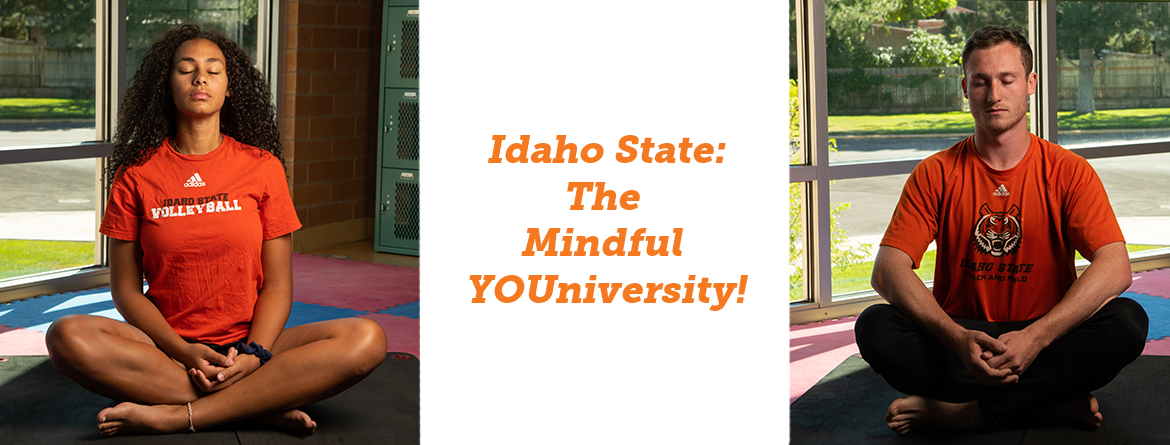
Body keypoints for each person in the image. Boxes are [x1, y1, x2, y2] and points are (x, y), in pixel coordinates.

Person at [44, 24, 388, 436]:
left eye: (213, 69)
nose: (200, 77)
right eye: (186, 69)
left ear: (230, 88)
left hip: (252, 345)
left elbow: (278, 286)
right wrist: (184, 351)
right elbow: (126, 292)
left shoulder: (263, 167)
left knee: (367, 338)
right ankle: (257, 405)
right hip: (166, 351)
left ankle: (181, 414)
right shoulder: (135, 175)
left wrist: (255, 354)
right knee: (67, 335)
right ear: (166, 86)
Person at [854, 25, 1148, 435]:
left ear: (1030, 84)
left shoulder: (1068, 171)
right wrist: (957, 338)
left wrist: (1037, 337)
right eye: (981, 81)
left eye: (1006, 79)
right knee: (874, 326)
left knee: (1128, 322)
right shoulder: (935, 173)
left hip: (1043, 338)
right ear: (965, 88)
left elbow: (1116, 267)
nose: (993, 94)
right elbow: (888, 270)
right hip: (962, 341)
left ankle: (966, 413)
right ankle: (1045, 403)